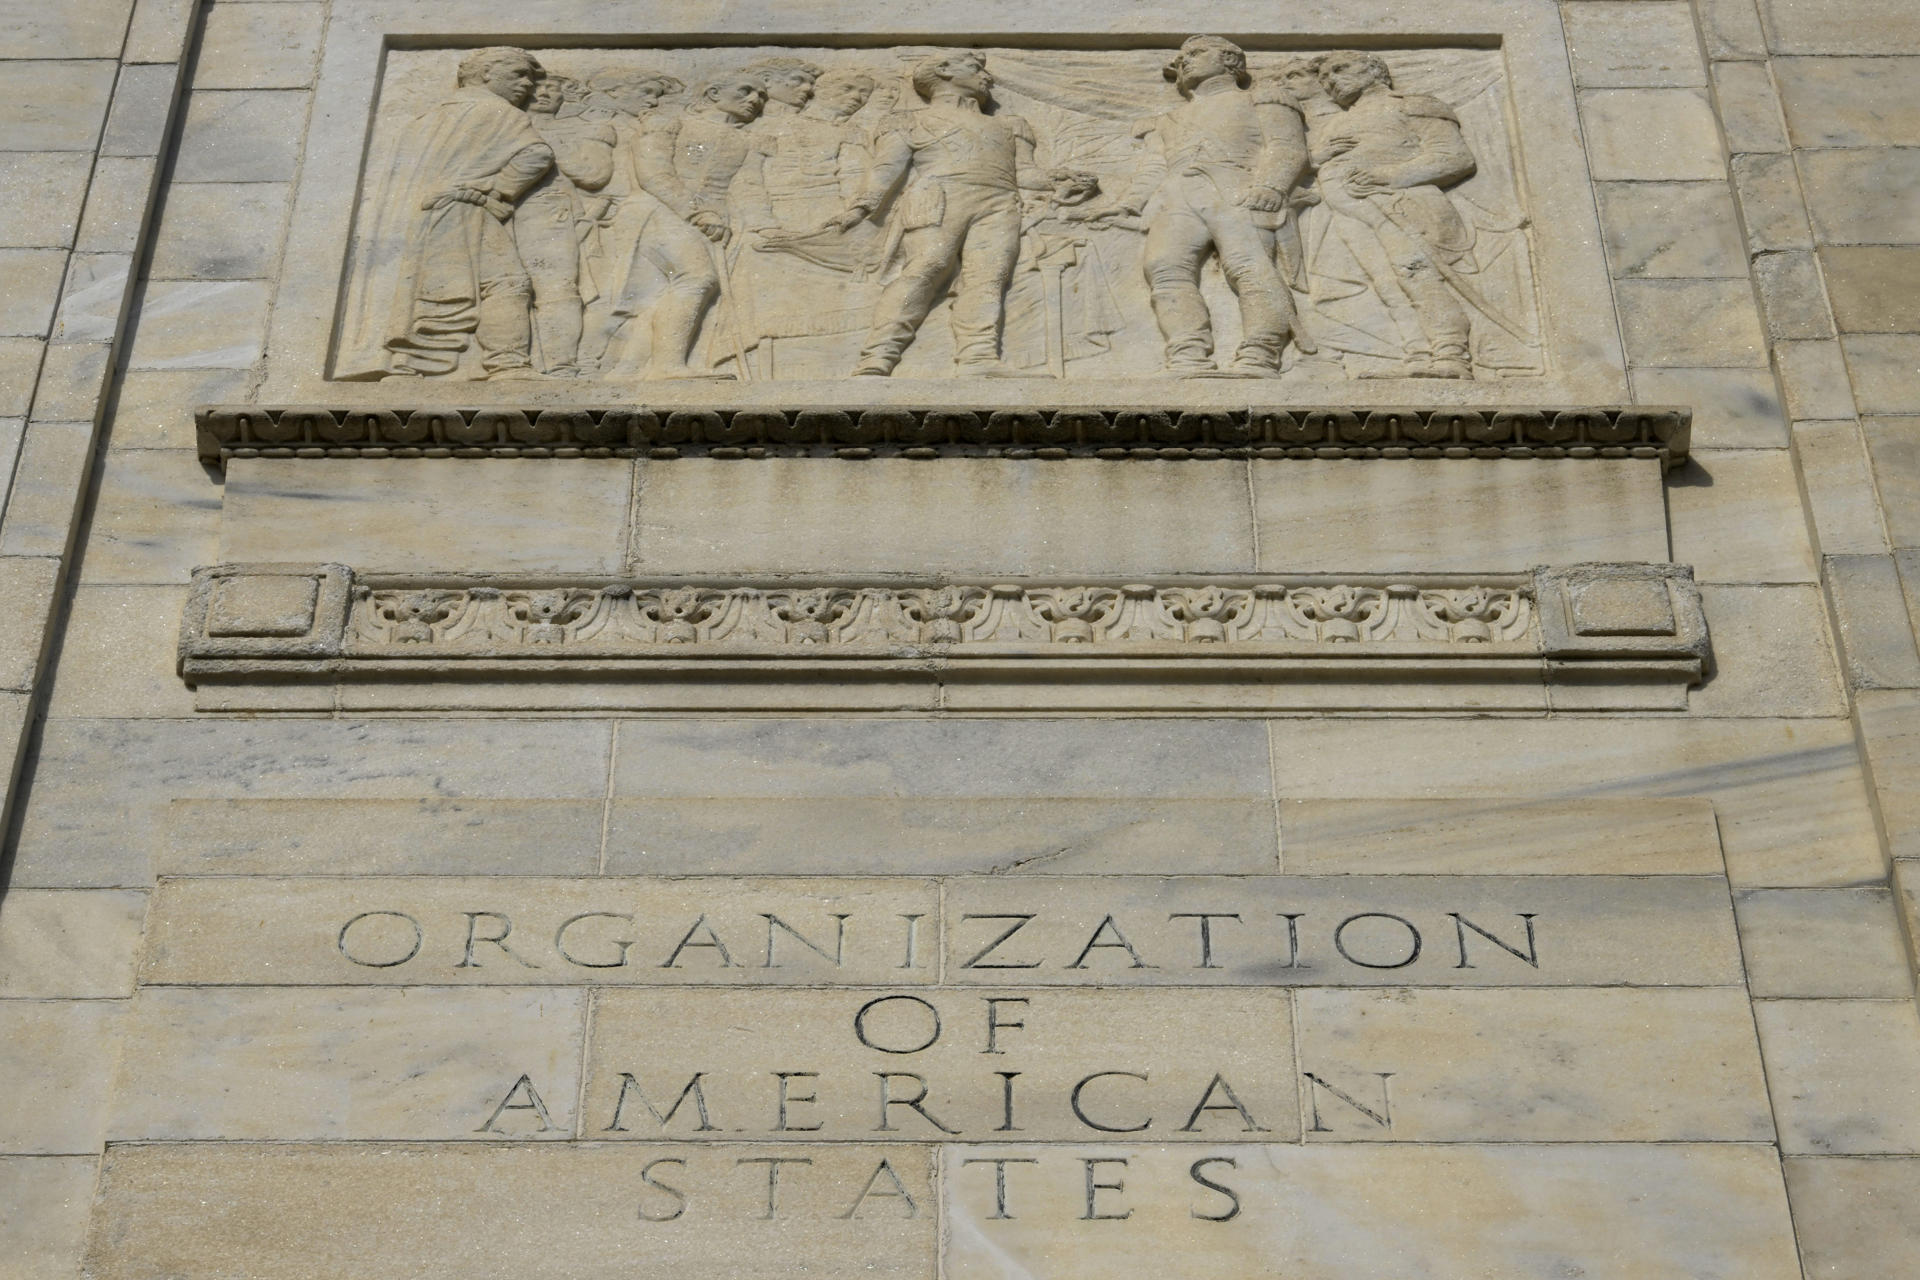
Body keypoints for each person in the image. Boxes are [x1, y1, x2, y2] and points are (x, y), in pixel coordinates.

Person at [818, 50, 1047, 376]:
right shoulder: (909, 120)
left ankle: (978, 358)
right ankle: (878, 356)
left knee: (989, 276)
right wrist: (860, 208)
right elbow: (887, 168)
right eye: (975, 68)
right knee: (927, 267)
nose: (988, 77)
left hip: (1000, 203)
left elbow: (1025, 173)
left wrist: (1060, 180)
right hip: (939, 196)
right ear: (943, 70)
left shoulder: (1008, 126)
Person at [337, 47, 554, 379]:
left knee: (418, 292)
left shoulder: (421, 121)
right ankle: (507, 364)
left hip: (413, 220)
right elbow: (536, 155)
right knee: (507, 282)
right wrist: (496, 188)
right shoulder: (500, 112)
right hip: (463, 210)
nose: (528, 85)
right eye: (518, 74)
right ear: (486, 74)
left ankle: (406, 367)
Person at [1117, 35, 1308, 376]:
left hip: (1236, 189)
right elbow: (1154, 166)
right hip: (1176, 195)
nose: (1185, 62)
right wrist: (1129, 204)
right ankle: (1187, 352)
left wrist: (1271, 186)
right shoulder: (1169, 119)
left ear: (1230, 60)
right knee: (1164, 268)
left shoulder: (1263, 98)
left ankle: (1261, 352)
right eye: (1181, 59)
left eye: (1197, 53)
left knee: (1248, 268)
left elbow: (1287, 148)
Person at [1308, 50, 1482, 378]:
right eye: (1325, 78)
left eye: (1340, 69)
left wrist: (1387, 175)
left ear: (1375, 70)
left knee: (1416, 277)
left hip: (1402, 205)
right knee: (1386, 286)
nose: (1331, 81)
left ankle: (1451, 356)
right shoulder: (1334, 123)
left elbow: (1455, 157)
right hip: (1347, 215)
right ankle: (1417, 356)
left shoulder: (1412, 103)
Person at [612, 72, 768, 379]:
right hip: (657, 210)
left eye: (762, 96)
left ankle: (628, 369)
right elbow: (653, 174)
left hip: (711, 225)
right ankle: (667, 366)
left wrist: (766, 227)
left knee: (668, 291)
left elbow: (750, 186)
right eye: (746, 90)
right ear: (712, 92)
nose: (756, 100)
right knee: (696, 279)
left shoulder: (743, 140)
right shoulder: (668, 123)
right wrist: (697, 212)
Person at [734, 68, 884, 374]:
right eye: (849, 88)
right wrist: (762, 222)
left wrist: (849, 219)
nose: (857, 99)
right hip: (779, 216)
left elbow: (855, 178)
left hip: (830, 217)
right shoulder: (768, 128)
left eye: (864, 94)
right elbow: (748, 177)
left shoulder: (850, 133)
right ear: (823, 90)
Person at [519, 75, 617, 375]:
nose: (543, 92)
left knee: (560, 289)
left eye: (552, 88)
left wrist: (546, 147)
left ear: (565, 96)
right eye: (537, 86)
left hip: (552, 214)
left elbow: (594, 174)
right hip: (500, 212)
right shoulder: (502, 125)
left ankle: (562, 365)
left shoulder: (580, 129)